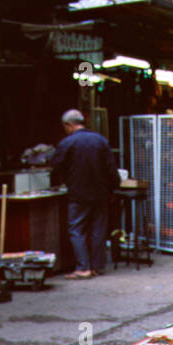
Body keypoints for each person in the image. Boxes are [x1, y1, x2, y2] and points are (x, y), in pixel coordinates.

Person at [52, 108, 120, 278]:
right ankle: (97, 266)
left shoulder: (67, 143)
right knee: (98, 229)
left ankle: (83, 267)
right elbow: (111, 169)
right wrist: (113, 188)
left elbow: (55, 166)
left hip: (78, 193)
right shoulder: (101, 141)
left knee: (76, 229)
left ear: (68, 125)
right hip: (101, 192)